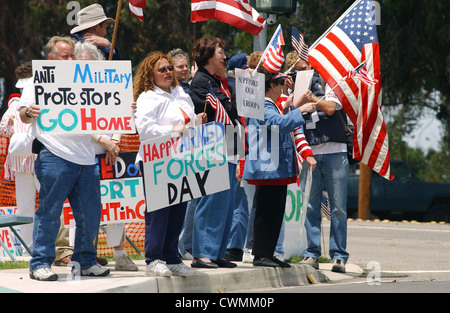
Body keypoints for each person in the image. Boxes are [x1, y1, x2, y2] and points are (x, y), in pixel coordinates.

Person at [19, 36, 109, 281]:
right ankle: (40, 263)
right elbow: (23, 114)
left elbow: (103, 108)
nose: (71, 59)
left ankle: (85, 261)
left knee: (90, 214)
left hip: (86, 158)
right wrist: (29, 111)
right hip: (54, 155)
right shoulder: (37, 80)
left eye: (72, 55)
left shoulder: (85, 79)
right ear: (51, 59)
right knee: (49, 212)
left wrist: (121, 108)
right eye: (65, 56)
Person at [134, 51, 205, 276]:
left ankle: (172, 257)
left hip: (182, 159)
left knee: (178, 211)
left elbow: (184, 122)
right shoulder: (148, 97)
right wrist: (171, 131)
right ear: (150, 74)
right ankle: (154, 259)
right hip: (157, 160)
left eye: (169, 68)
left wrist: (195, 121)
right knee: (159, 211)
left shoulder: (180, 93)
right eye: (162, 69)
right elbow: (144, 130)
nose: (168, 72)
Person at [243, 66, 316, 268]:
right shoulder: (263, 105)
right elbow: (278, 124)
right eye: (281, 82)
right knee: (266, 211)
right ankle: (261, 254)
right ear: (272, 85)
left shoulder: (270, 104)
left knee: (275, 211)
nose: (285, 85)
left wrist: (295, 109)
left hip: (274, 167)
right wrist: (300, 110)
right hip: (268, 167)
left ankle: (268, 252)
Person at [74, 40, 138, 272]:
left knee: (117, 205)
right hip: (83, 154)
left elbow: (121, 115)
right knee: (82, 208)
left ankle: (120, 254)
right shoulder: (70, 88)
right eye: (80, 64)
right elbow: (74, 120)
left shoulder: (110, 85)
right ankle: (82, 254)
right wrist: (102, 140)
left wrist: (115, 143)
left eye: (89, 64)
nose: (85, 69)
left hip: (111, 153)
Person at [188, 37, 243, 269]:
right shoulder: (201, 81)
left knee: (226, 204)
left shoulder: (222, 82)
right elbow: (226, 109)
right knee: (210, 201)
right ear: (209, 56)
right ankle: (202, 253)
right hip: (212, 144)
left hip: (228, 144)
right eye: (221, 51)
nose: (225, 56)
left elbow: (236, 110)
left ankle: (218, 252)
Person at [297, 58, 350, 273]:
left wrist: (312, 98)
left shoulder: (332, 82)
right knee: (310, 206)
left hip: (335, 151)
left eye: (304, 68)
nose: (301, 73)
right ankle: (311, 253)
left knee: (338, 207)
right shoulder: (298, 87)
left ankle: (338, 256)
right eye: (297, 70)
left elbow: (330, 108)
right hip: (310, 151)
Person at [0, 62, 37, 254]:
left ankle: (59, 248)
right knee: (24, 209)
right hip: (22, 165)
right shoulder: (14, 105)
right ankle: (26, 250)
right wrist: (13, 126)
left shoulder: (44, 102)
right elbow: (3, 129)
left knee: (52, 205)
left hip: (40, 162)